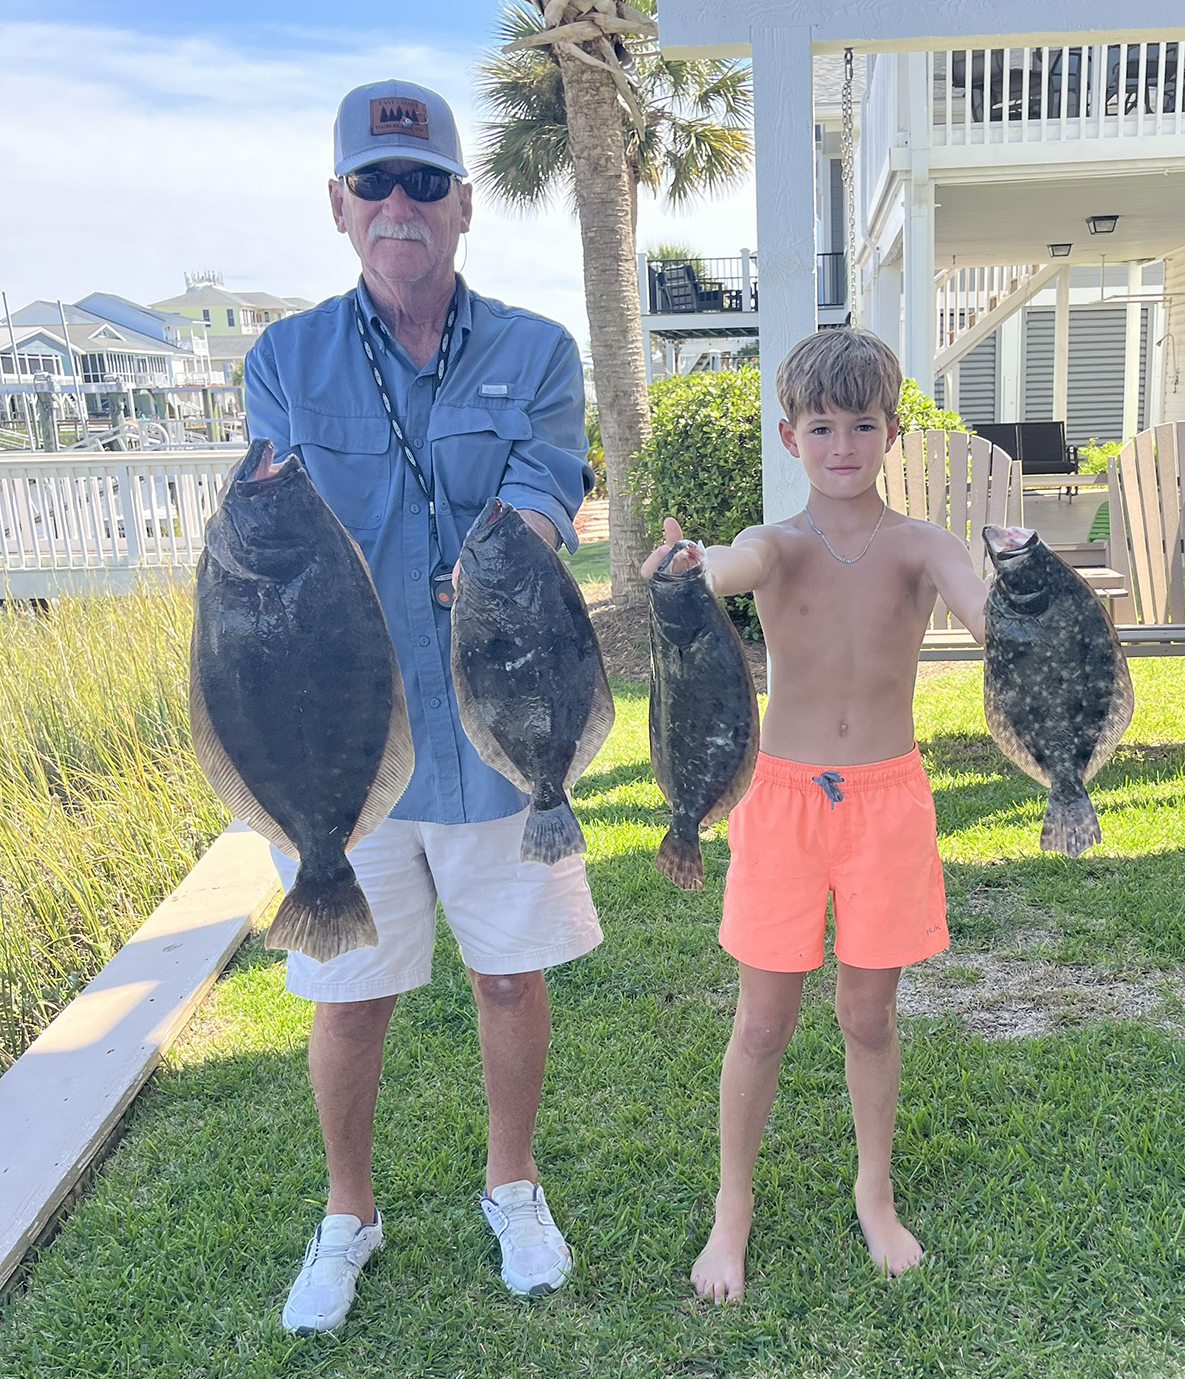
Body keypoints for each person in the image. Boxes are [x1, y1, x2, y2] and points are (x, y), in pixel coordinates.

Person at [244, 80, 600, 1333]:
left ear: (463, 204)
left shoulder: (538, 352)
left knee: (509, 980)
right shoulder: (284, 360)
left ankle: (515, 1183)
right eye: (376, 182)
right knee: (350, 993)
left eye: (425, 182)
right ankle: (348, 1211)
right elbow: (269, 527)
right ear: (340, 204)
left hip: (499, 730)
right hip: (345, 745)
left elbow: (550, 484)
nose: (400, 203)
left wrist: (516, 545)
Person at [642, 329, 989, 1302]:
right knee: (762, 1022)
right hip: (781, 801)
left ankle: (875, 1190)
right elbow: (732, 563)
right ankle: (733, 1207)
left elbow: (985, 614)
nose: (844, 444)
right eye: (823, 426)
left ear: (891, 433)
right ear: (790, 436)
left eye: (863, 425)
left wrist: (1036, 607)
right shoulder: (779, 546)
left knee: (868, 1016)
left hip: (887, 804)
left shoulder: (922, 545)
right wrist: (689, 564)